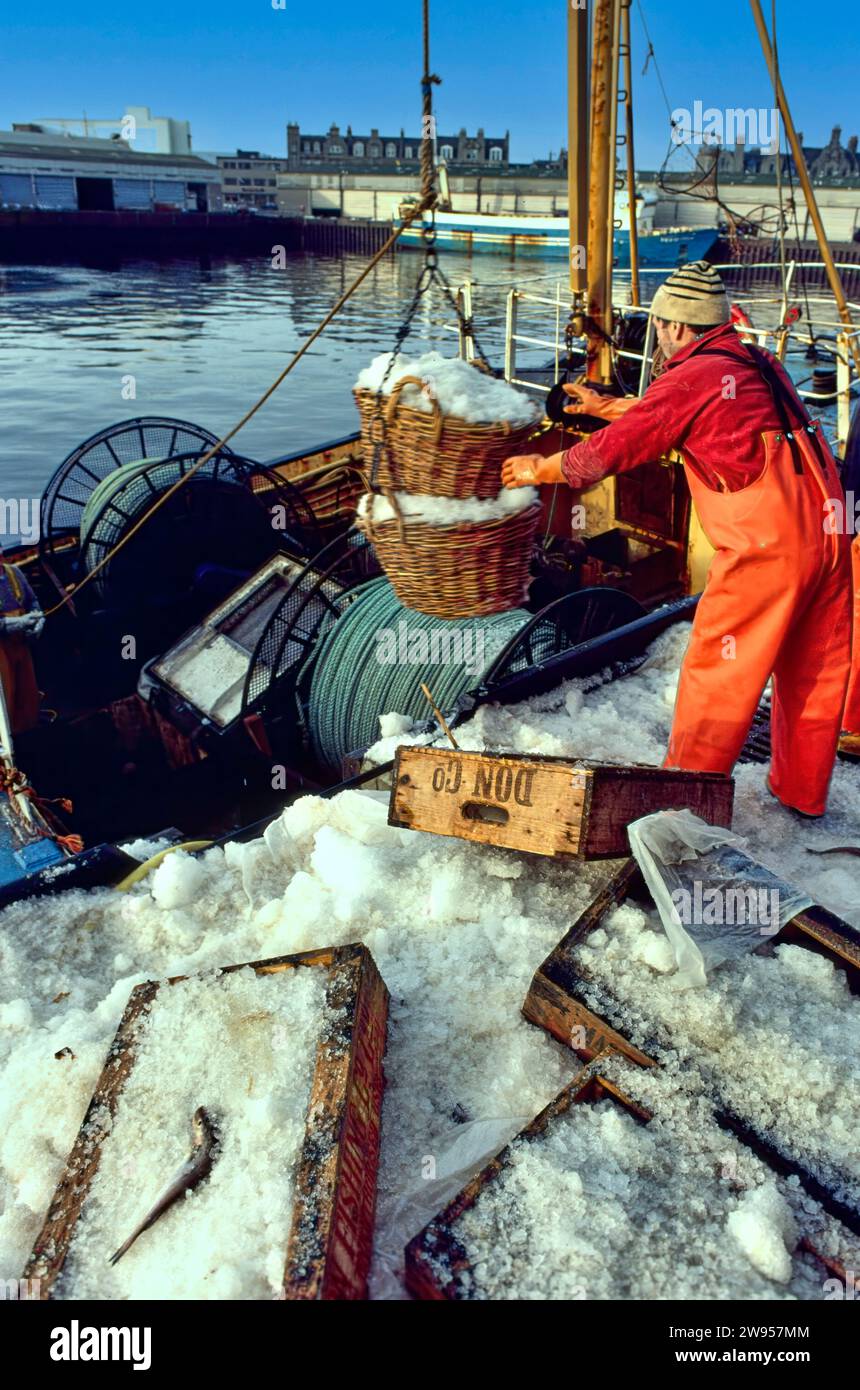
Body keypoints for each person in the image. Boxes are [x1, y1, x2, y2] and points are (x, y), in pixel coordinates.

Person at [502, 260, 853, 818]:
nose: (658, 338)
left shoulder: (692, 375)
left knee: (719, 668)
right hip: (833, 539)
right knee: (813, 671)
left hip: (769, 551)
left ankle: (686, 800)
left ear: (678, 327)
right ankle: (802, 795)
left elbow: (605, 455)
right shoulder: (755, 359)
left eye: (660, 326)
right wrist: (603, 407)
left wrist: (536, 470)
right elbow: (680, 414)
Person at [0, 549, 44, 734]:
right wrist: (17, 623)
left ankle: (30, 732)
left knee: (28, 691)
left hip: (21, 644)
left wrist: (39, 618)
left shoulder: (14, 573)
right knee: (6, 696)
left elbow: (32, 600)